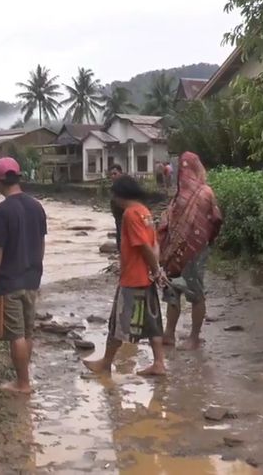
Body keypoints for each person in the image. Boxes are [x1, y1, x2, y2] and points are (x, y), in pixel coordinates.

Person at [83, 175, 167, 377]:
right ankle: (159, 363)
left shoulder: (130, 214)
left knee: (118, 323)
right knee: (153, 322)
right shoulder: (145, 212)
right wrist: (155, 270)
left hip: (132, 279)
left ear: (119, 195)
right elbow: (154, 244)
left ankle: (105, 363)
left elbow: (144, 246)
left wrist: (155, 270)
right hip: (146, 278)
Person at [0, 157, 47, 394]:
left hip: (9, 282)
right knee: (27, 332)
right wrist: (37, 268)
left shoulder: (1, 211)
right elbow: (40, 243)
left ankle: (23, 383)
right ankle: (24, 377)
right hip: (32, 278)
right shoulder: (36, 206)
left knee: (15, 334)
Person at [157, 152, 223, 350]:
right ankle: (169, 334)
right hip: (173, 251)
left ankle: (194, 337)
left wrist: (202, 240)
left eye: (187, 167)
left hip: (194, 251)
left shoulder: (205, 193)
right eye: (182, 167)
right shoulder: (179, 194)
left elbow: (215, 220)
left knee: (195, 292)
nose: (184, 171)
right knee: (172, 289)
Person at [108, 164, 124, 250]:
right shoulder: (114, 188)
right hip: (118, 219)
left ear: (120, 173)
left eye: (115, 174)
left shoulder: (125, 187)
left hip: (125, 218)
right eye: (111, 175)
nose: (113, 176)